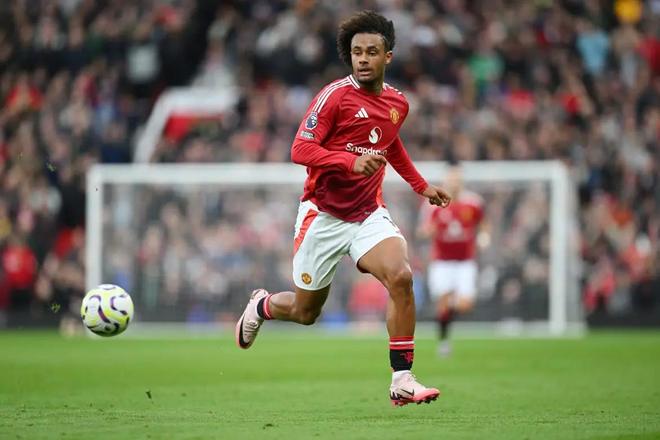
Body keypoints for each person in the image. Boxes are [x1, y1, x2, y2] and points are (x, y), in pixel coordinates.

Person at [235, 10, 451, 406]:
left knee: (402, 277)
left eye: (372, 52)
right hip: (323, 215)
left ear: (388, 56)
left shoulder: (398, 103)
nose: (363, 59)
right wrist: (349, 161)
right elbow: (300, 149)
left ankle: (402, 379)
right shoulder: (334, 96)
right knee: (305, 312)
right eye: (357, 52)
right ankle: (261, 306)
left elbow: (390, 144)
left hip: (368, 213)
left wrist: (421, 186)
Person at [417, 162, 484, 357]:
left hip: (465, 261)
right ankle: (444, 342)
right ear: (446, 180)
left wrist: (484, 236)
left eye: (457, 178)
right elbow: (423, 230)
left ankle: (445, 310)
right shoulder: (434, 203)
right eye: (451, 178)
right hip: (442, 261)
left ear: (461, 180)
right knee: (443, 303)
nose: (454, 181)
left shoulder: (473, 202)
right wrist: (427, 231)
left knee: (465, 304)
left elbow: (484, 224)